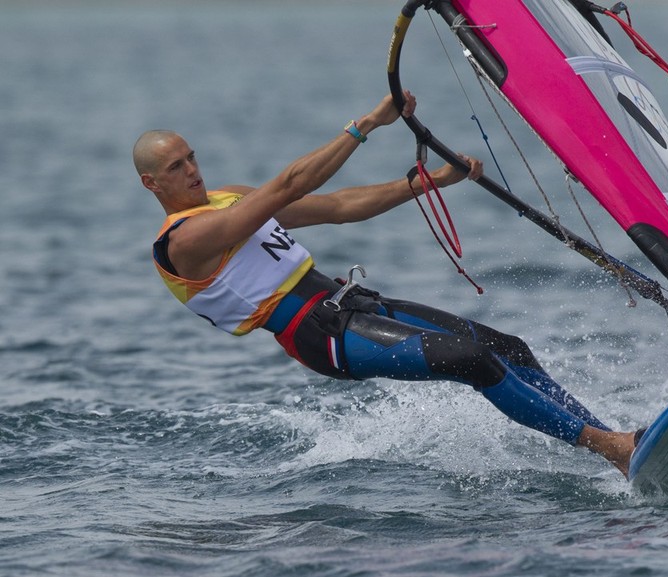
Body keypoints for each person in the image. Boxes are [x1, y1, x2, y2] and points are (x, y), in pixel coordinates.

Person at [134, 91, 639, 476]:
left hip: (349, 304)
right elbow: (292, 182)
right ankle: (611, 448)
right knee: (471, 360)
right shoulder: (184, 241)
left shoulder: (226, 199)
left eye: (191, 157)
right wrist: (368, 124)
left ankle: (615, 441)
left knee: (509, 347)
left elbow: (337, 207)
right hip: (320, 336)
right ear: (151, 183)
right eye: (176, 167)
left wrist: (431, 181)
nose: (192, 171)